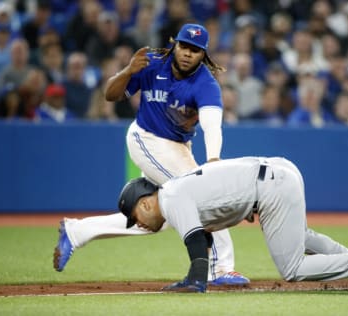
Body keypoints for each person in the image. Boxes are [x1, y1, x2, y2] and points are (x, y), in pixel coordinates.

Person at [53, 23, 250, 286]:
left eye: (195, 49)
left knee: (159, 215)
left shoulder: (206, 84)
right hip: (146, 138)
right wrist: (127, 71)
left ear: (204, 54)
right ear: (174, 44)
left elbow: (212, 125)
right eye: (184, 46)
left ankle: (76, 232)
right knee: (200, 196)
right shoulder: (152, 63)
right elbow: (110, 95)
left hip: (178, 147)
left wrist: (213, 159)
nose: (188, 53)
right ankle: (220, 267)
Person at [118, 156, 348, 293]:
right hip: (278, 172)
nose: (138, 224)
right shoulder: (176, 191)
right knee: (302, 238)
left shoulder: (169, 198)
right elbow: (204, 236)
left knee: (292, 268)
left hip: (269, 187)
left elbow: (196, 242)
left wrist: (195, 280)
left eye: (135, 218)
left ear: (144, 203)